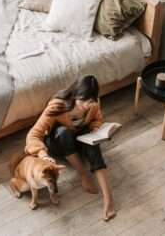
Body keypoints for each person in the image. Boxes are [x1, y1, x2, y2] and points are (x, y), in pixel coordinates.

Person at [25, 75, 116, 221]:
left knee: (94, 146)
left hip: (79, 140)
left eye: (90, 101)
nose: (86, 105)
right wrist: (42, 154)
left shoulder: (93, 104)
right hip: (59, 144)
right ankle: (83, 175)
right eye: (82, 101)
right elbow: (32, 136)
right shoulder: (57, 105)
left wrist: (95, 129)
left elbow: (97, 119)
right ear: (75, 94)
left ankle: (108, 198)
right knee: (64, 133)